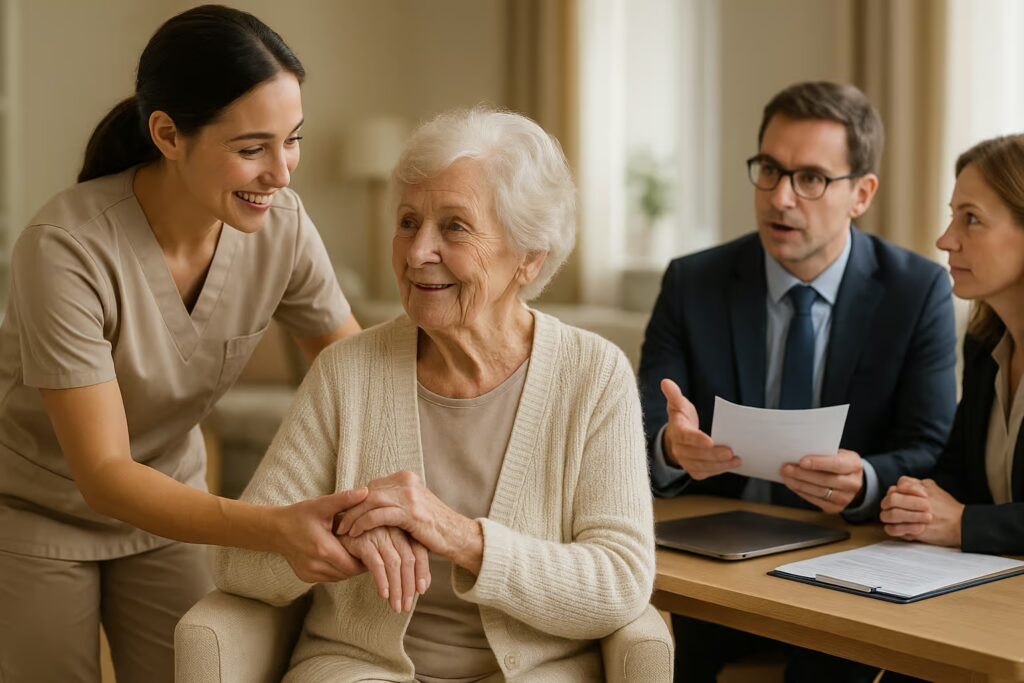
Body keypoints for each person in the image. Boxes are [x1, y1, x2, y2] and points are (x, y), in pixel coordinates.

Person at [211, 107, 656, 681]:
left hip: (534, 670)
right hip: (361, 667)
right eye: (407, 222)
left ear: (529, 257)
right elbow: (237, 563)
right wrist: (343, 532)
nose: (418, 251)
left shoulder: (594, 376)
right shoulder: (346, 372)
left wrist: (461, 536)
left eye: (454, 227)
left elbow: (619, 580)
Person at [0, 6, 366, 682]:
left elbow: (355, 375)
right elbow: (104, 473)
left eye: (293, 139)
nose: (282, 174)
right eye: (252, 148)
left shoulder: (281, 224)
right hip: (37, 513)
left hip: (172, 504)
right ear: (168, 134)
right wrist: (275, 524)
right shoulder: (66, 248)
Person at [638, 81, 958, 682]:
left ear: (861, 193)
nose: (781, 198)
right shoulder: (693, 281)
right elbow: (647, 418)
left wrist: (864, 479)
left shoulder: (917, 292)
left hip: (849, 560)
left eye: (810, 178)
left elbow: (931, 446)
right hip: (714, 558)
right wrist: (670, 447)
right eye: (769, 169)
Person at [882, 134, 1024, 556]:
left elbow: (964, 514)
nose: (945, 240)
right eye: (952, 217)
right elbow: (957, 474)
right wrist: (917, 502)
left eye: (971, 219)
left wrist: (964, 524)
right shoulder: (985, 344)